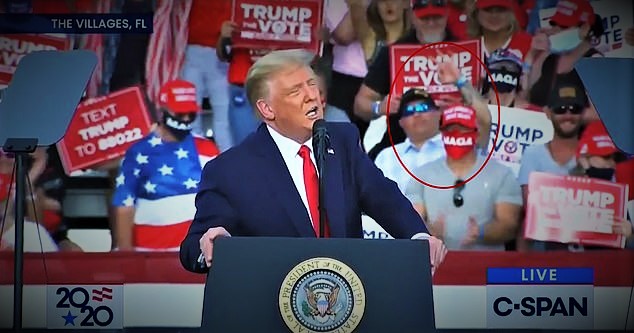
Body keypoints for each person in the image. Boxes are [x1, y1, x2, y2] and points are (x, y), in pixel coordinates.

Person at [179, 49, 447, 273]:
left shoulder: (342, 142)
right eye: (296, 90)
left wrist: (419, 238)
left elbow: (384, 197)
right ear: (267, 109)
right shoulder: (230, 171)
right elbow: (193, 248)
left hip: (349, 300)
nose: (312, 96)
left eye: (312, 85)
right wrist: (213, 245)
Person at [112, 80, 220, 252]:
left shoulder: (207, 149)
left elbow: (218, 200)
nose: (185, 119)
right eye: (179, 113)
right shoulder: (139, 151)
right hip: (147, 252)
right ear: (162, 110)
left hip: (192, 254)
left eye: (190, 114)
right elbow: (124, 203)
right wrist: (126, 254)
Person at [405, 105, 522, 251]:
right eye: (450, 130)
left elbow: (509, 226)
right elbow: (411, 219)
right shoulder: (421, 175)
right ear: (442, 134)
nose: (456, 134)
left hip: (485, 267)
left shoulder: (502, 174)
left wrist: (481, 233)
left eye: (462, 129)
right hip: (437, 266)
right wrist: (429, 231)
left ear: (476, 133)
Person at [374, 88, 445, 193]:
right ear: (401, 122)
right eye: (409, 111)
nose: (416, 114)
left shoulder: (458, 147)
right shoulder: (386, 157)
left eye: (422, 108)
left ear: (439, 113)